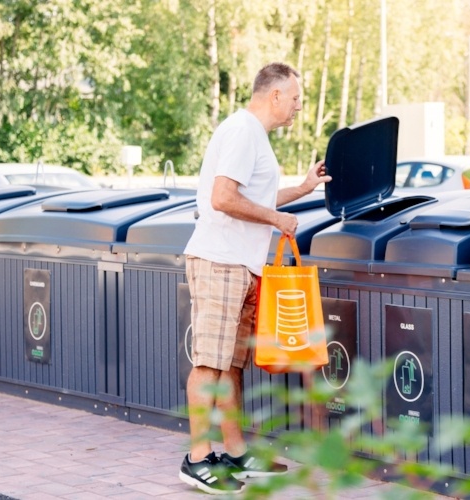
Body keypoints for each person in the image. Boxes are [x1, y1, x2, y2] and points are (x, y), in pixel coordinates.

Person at [178, 62, 330, 495]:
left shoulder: (252, 135)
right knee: (209, 361)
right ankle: (197, 458)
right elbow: (223, 198)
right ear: (275, 95)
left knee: (230, 365)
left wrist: (300, 190)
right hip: (220, 261)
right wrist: (276, 218)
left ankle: (234, 452)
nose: (300, 106)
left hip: (241, 264)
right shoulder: (244, 131)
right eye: (297, 98)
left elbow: (254, 198)